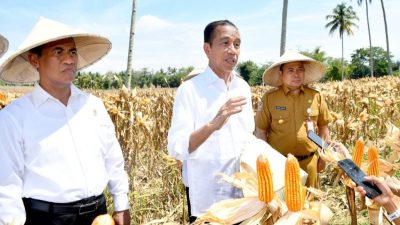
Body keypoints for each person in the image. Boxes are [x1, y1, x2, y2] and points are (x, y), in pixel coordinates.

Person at [0, 17, 130, 225]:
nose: (69, 60)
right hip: (48, 218)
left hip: (99, 215)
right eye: (58, 52)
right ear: (35, 61)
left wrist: (122, 204)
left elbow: (113, 160)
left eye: (73, 52)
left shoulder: (94, 106)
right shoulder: (14, 117)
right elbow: (6, 186)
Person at [167, 20, 255, 223]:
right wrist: (213, 125)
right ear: (207, 49)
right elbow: (177, 148)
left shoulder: (242, 87)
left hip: (244, 197)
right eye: (225, 43)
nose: (233, 50)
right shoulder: (190, 90)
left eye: (237, 44)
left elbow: (247, 137)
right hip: (208, 199)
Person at [255, 51, 331, 187]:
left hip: (309, 163)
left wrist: (324, 158)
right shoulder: (269, 98)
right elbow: (260, 132)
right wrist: (265, 162)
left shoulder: (316, 96)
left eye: (300, 70)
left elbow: (324, 128)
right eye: (290, 70)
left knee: (310, 204)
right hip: (280, 163)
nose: (296, 74)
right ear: (281, 74)